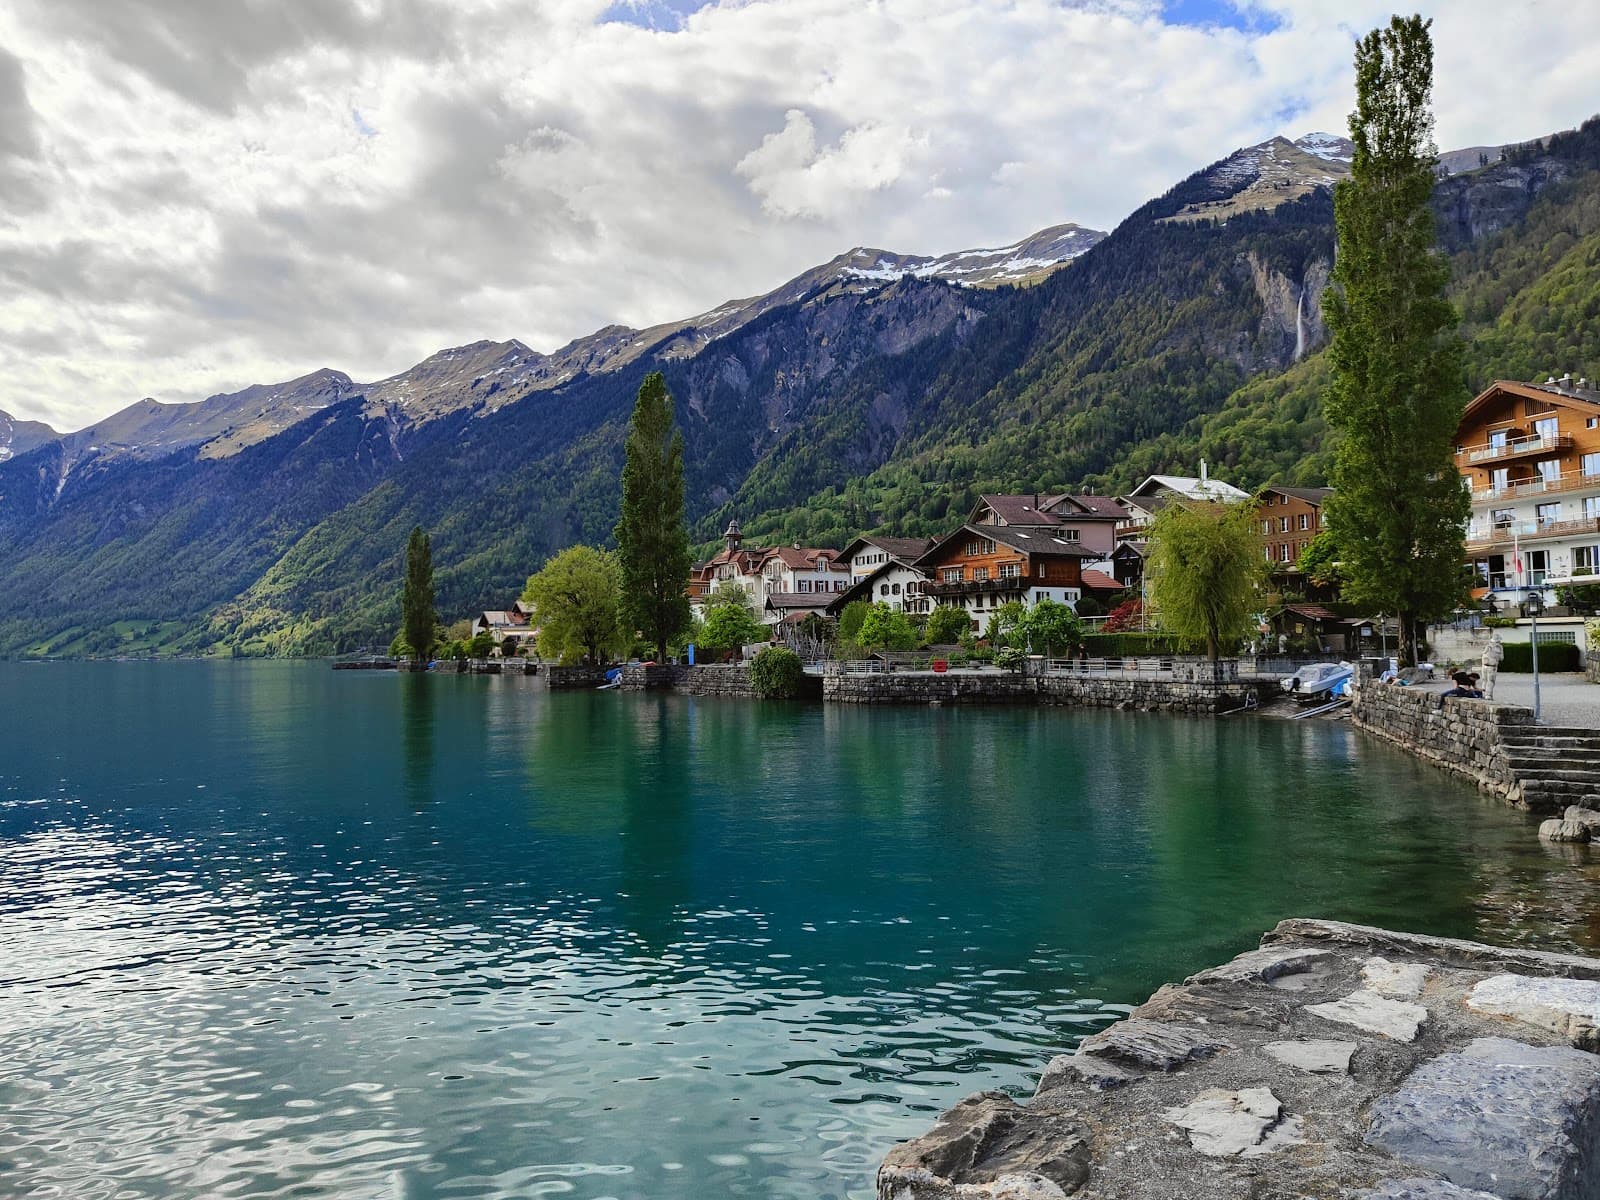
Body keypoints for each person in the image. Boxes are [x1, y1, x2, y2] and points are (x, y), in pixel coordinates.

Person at [1481, 632, 1503, 700]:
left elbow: (1483, 654)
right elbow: (1501, 658)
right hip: (1492, 667)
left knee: (1484, 680)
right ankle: (1488, 695)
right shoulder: (1498, 647)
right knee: (1491, 681)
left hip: (1484, 666)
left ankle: (1482, 694)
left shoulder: (1487, 646)